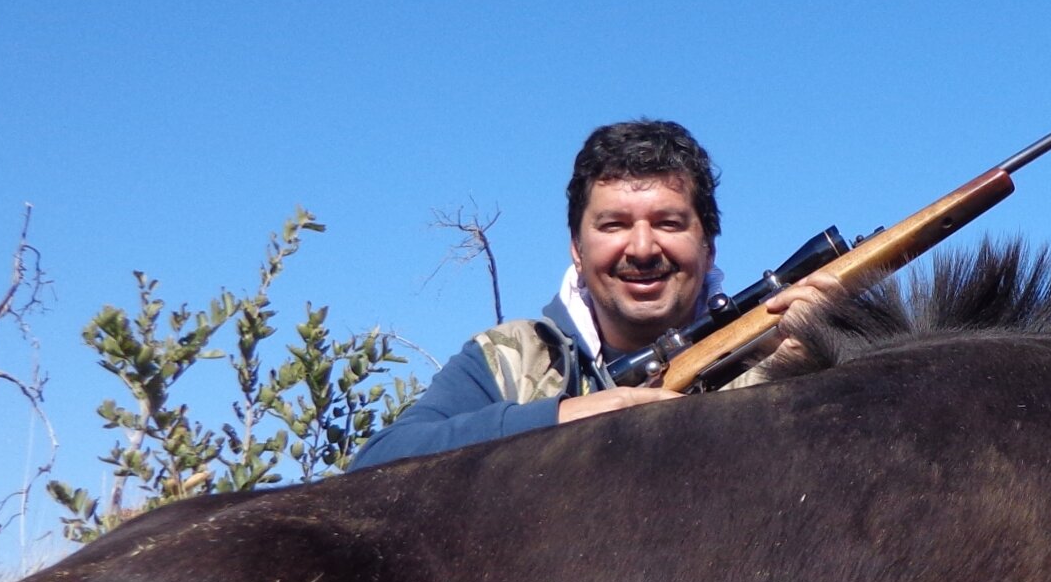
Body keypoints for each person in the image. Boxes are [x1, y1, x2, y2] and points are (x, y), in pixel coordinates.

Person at [352, 120, 833, 470]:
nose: (642, 248)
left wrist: (829, 359)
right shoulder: (511, 360)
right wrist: (570, 416)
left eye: (668, 223)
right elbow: (379, 461)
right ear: (577, 251)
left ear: (707, 247)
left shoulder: (784, 350)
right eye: (614, 225)